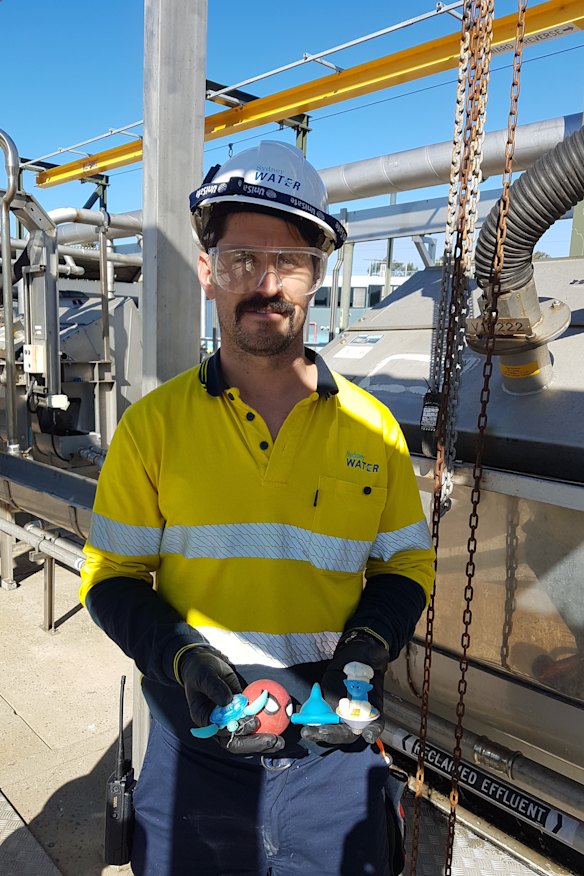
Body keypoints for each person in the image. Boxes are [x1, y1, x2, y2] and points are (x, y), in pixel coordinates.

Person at [80, 140, 435, 876]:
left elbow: (405, 562)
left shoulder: (373, 430)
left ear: (317, 274)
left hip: (336, 760)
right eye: (242, 259)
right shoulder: (154, 427)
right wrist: (183, 657)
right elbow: (110, 578)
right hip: (194, 758)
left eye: (289, 260)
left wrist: (368, 645)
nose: (265, 283)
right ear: (208, 270)